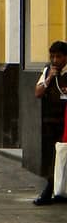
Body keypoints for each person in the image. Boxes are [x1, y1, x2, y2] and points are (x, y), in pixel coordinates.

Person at [33, 40, 67, 205]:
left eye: (58, 57)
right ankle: (52, 187)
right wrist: (49, 80)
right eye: (52, 56)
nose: (55, 60)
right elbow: (38, 92)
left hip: (65, 120)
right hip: (50, 120)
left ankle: (55, 189)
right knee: (52, 155)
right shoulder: (47, 71)